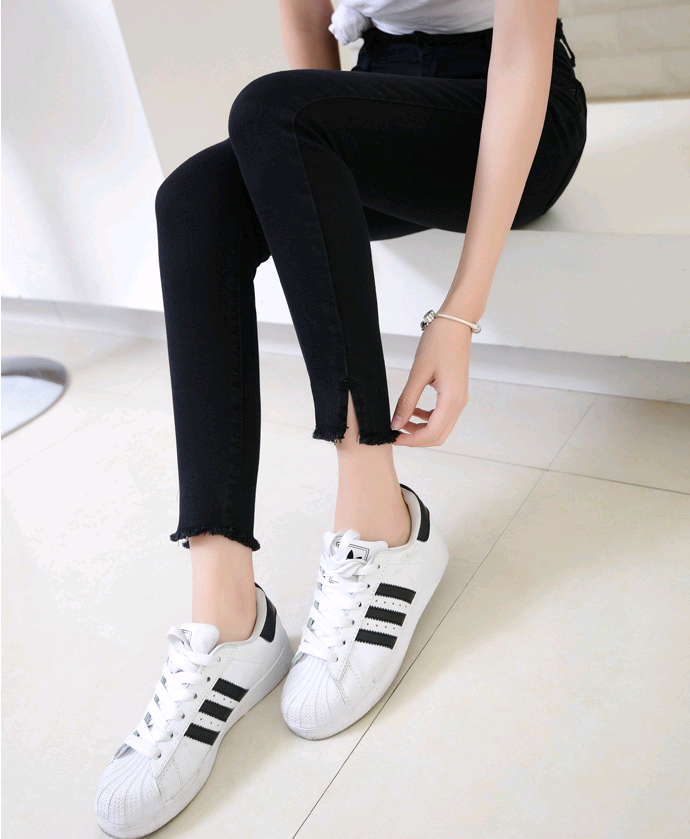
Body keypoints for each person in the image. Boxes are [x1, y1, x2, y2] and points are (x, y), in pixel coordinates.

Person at [94, 0, 587, 835]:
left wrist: (459, 313)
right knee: (194, 198)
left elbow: (520, 58)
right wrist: (304, 178)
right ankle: (229, 613)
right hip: (378, 92)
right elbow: (307, 37)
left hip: (511, 105)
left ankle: (381, 519)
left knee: (272, 109)